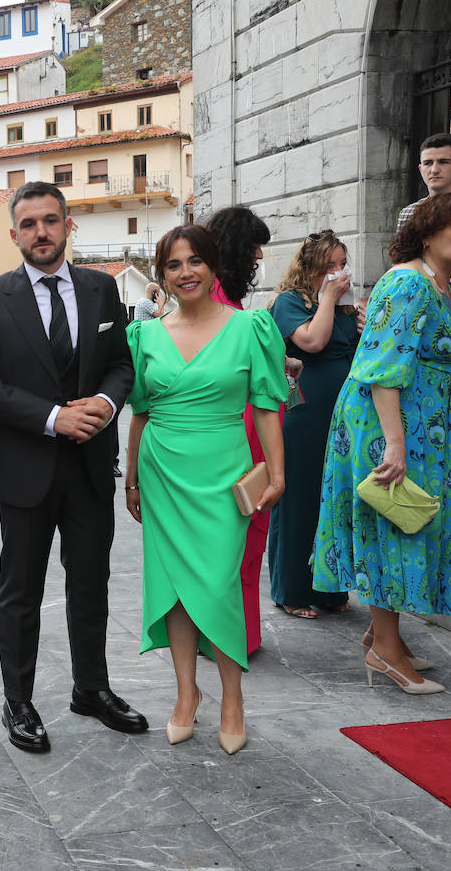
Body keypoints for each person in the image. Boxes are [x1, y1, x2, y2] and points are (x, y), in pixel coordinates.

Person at [0, 181, 146, 753]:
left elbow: (121, 364)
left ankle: (92, 689)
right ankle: (18, 701)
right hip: (25, 467)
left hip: (90, 464)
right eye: (29, 224)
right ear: (14, 234)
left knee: (91, 582)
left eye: (50, 220)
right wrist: (51, 418)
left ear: (68, 225)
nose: (40, 232)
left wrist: (107, 403)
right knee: (21, 590)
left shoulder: (100, 289)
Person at [124, 225, 287, 755]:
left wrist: (277, 473)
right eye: (173, 264)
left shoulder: (250, 328)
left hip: (222, 473)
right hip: (163, 472)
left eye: (195, 260)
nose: (186, 272)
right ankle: (186, 693)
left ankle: (232, 698)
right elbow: (140, 412)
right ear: (162, 274)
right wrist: (131, 477)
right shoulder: (145, 335)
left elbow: (266, 405)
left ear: (214, 266)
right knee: (173, 587)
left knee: (219, 584)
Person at [313, 192, 451, 695]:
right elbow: (383, 370)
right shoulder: (408, 282)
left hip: (422, 423)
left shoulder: (439, 284)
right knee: (393, 521)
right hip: (389, 421)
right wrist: (395, 443)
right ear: (426, 233)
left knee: (410, 517)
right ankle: (385, 650)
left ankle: (385, 636)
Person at [266, 230, 362, 618]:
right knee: (300, 498)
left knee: (334, 498)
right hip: (306, 411)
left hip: (344, 411)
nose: (338, 273)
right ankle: (291, 589)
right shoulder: (290, 302)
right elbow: (313, 342)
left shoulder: (344, 307)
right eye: (329, 266)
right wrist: (330, 299)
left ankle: (330, 589)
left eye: (342, 265)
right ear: (309, 269)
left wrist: (363, 325)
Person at [205, 205, 275, 653]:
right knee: (238, 535)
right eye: (254, 247)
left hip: (244, 428)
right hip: (238, 432)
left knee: (240, 535)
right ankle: (228, 635)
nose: (258, 257)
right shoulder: (217, 301)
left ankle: (233, 633)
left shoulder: (223, 299)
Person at [396, 133, 451, 230]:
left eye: (443, 162)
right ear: (421, 169)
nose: (434, 170)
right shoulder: (409, 213)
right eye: (428, 163)